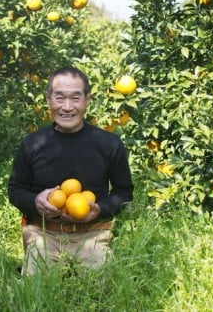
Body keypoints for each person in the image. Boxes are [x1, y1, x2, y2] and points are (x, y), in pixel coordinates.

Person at [7, 66, 134, 275]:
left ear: (87, 100)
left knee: (101, 291)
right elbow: (15, 189)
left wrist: (99, 210)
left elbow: (124, 192)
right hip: (44, 235)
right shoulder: (32, 144)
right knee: (33, 294)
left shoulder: (109, 144)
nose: (67, 107)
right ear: (48, 99)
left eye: (75, 98)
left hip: (93, 235)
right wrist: (35, 202)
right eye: (59, 97)